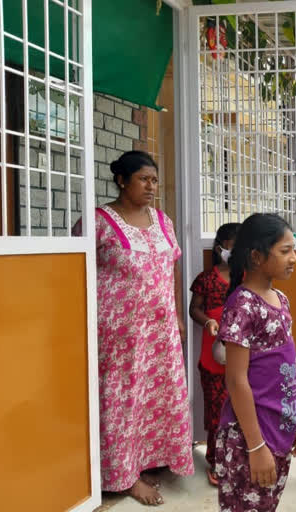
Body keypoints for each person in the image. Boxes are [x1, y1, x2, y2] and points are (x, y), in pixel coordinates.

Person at [72, 150, 193, 505]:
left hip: (160, 330)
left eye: (154, 179)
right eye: (144, 178)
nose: (151, 186)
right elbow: (75, 270)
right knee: (122, 400)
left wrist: (175, 314)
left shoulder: (163, 221)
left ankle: (149, 460)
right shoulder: (97, 221)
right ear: (122, 180)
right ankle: (122, 476)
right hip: (118, 333)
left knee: (158, 398)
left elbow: (171, 268)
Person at [214, 213, 296, 512]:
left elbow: (287, 369)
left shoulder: (280, 299)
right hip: (250, 438)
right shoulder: (242, 306)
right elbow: (236, 380)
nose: (294, 258)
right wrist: (255, 447)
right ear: (256, 256)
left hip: (278, 429)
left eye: (294, 249)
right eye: (285, 251)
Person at [189, 222, 241, 486]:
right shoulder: (207, 279)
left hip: (245, 362)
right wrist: (207, 321)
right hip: (214, 361)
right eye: (234, 248)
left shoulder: (248, 279)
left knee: (242, 411)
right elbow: (194, 308)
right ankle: (217, 462)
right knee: (217, 413)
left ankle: (239, 461)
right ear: (221, 249)